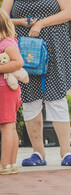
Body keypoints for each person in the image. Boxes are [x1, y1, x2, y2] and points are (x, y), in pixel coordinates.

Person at [1, 0, 71, 166]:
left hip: (55, 44)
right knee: (30, 99)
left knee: (57, 97)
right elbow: (2, 16)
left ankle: (66, 153)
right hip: (24, 45)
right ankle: (38, 153)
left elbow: (67, 13)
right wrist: (21, 22)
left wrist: (41, 24)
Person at [0, 8, 24, 174]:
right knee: (10, 126)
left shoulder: (6, 44)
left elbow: (18, 62)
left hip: (4, 90)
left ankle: (5, 164)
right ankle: (12, 163)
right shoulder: (7, 42)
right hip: (7, 90)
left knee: (7, 126)